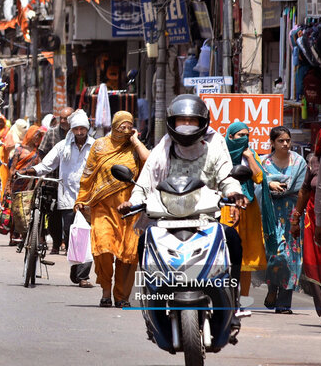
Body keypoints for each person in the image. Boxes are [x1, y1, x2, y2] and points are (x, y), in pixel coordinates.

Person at [118, 95, 247, 323]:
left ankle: (233, 300)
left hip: (204, 218)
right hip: (166, 219)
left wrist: (233, 192)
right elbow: (146, 180)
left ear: (202, 123)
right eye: (182, 120)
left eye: (192, 120)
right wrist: (133, 200)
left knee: (233, 240)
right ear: (172, 122)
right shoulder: (163, 148)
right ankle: (151, 298)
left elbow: (227, 175)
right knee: (143, 241)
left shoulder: (215, 145)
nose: (186, 125)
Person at [74, 111, 149, 307]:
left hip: (131, 209)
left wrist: (135, 141)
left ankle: (122, 296)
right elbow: (88, 173)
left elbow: (149, 162)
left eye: (129, 126)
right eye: (121, 126)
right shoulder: (100, 146)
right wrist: (81, 199)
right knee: (103, 249)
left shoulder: (134, 148)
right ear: (114, 126)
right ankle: (106, 292)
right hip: (103, 208)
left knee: (128, 255)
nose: (125, 130)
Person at [19, 109, 95, 288]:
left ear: (87, 129)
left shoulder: (95, 146)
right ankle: (76, 268)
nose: (79, 133)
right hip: (68, 197)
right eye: (76, 129)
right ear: (72, 129)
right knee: (70, 236)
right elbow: (47, 164)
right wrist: (31, 171)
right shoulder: (63, 146)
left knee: (86, 236)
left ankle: (83, 276)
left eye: (82, 129)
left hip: (88, 198)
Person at [222, 122, 269, 316]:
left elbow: (259, 178)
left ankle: (243, 302)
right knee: (226, 255)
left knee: (247, 256)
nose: (244, 139)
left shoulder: (251, 155)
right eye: (240, 135)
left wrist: (249, 157)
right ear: (230, 137)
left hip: (248, 208)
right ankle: (225, 301)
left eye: (246, 135)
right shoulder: (222, 155)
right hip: (227, 207)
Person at [260, 126, 306, 313]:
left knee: (291, 257)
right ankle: (272, 288)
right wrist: (269, 183)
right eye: (281, 141)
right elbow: (259, 183)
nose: (285, 144)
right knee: (275, 254)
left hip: (292, 214)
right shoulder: (263, 163)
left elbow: (300, 188)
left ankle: (284, 302)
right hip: (271, 214)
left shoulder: (299, 162)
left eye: (287, 140)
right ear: (272, 143)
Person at [293, 124, 321, 325]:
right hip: (317, 221)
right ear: (320, 141)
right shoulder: (314, 162)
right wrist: (295, 219)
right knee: (319, 266)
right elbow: (304, 192)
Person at [38, 106, 74, 254]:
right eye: (62, 118)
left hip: (71, 183)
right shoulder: (51, 133)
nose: (64, 121)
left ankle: (68, 242)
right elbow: (41, 151)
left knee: (70, 215)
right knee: (53, 215)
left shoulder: (78, 134)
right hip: (53, 181)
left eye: (67, 118)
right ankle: (56, 244)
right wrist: (49, 166)